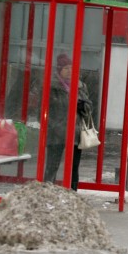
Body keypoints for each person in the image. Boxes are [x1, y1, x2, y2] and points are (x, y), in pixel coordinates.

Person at [44, 53, 93, 191]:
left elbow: (89, 108)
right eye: (66, 68)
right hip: (56, 133)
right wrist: (54, 125)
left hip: (75, 133)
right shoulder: (52, 86)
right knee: (52, 166)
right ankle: (47, 192)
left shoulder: (81, 86)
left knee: (73, 167)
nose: (70, 71)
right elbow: (45, 109)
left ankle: (72, 193)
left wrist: (83, 106)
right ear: (59, 70)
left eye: (72, 68)